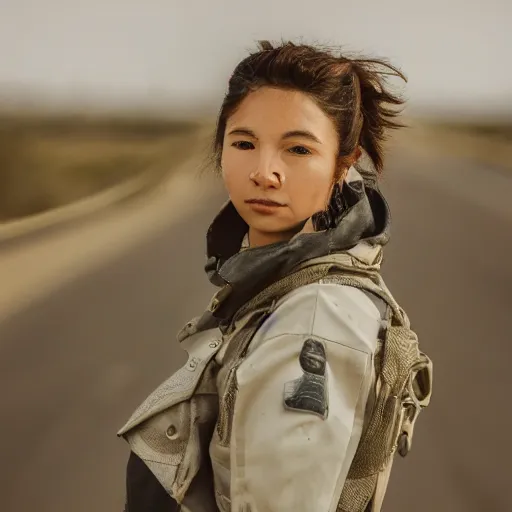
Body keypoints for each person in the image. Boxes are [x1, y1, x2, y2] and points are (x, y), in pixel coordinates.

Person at [118, 40, 433, 512]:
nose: (265, 172)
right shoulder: (282, 294)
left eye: (298, 149)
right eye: (244, 143)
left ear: (341, 166)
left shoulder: (314, 320)